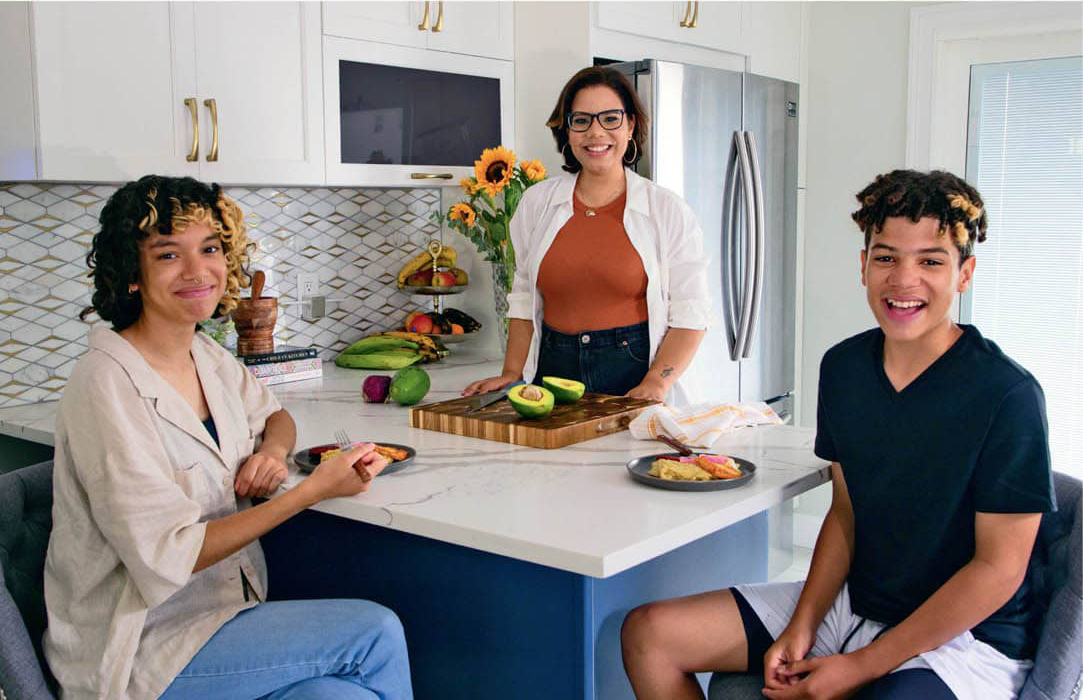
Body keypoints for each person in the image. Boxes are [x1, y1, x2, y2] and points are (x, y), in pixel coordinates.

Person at [620, 170, 1056, 700]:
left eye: (931, 261)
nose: (904, 279)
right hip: (858, 603)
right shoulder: (845, 367)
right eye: (886, 257)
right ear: (864, 265)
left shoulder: (1007, 395)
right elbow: (847, 514)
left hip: (965, 638)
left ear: (964, 273)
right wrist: (803, 623)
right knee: (650, 635)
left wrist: (862, 665)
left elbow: (997, 570)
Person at [44, 176, 413, 700]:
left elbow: (277, 416)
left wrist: (272, 452)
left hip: (223, 616)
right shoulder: (105, 383)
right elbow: (168, 556)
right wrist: (312, 492)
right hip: (140, 646)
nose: (199, 271)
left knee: (336, 697)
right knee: (373, 634)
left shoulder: (206, 356)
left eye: (210, 249)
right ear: (132, 273)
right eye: (168, 254)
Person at [463, 66, 710, 404]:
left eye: (610, 118)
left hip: (633, 375)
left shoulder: (666, 210)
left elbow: (691, 314)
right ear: (567, 130)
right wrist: (512, 373)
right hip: (551, 371)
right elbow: (523, 297)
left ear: (631, 125)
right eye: (581, 120)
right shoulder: (537, 203)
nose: (596, 133)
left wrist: (657, 382)